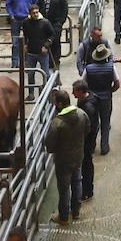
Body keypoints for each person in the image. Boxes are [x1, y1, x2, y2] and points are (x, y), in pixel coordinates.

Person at [45, 88, 89, 226]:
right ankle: (76, 212)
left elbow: (50, 145)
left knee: (64, 189)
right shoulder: (82, 114)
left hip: (63, 160)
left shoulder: (57, 123)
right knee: (77, 182)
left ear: (59, 104)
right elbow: (87, 130)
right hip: (78, 155)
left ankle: (63, 217)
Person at [81, 43, 117, 156]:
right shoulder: (111, 67)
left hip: (92, 98)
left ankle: (91, 146)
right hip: (106, 97)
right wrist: (110, 91)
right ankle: (104, 146)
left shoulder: (88, 68)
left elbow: (83, 83)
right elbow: (117, 83)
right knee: (105, 122)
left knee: (93, 122)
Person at [73, 79, 100, 201]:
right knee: (86, 164)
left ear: (81, 92)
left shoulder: (88, 107)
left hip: (87, 141)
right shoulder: (89, 99)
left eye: (74, 91)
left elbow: (89, 127)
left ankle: (87, 191)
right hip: (88, 139)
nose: (73, 94)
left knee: (86, 165)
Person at [6, 0, 38, 68]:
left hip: (27, 19)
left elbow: (35, 3)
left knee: (28, 41)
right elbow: (8, 4)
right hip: (16, 19)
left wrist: (31, 15)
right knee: (15, 42)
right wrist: (11, 15)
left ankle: (26, 62)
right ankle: (15, 62)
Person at [21, 5, 54, 76]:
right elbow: (25, 34)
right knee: (30, 74)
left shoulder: (45, 22)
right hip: (31, 52)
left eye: (37, 12)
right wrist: (25, 44)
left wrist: (46, 45)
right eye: (34, 13)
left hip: (43, 52)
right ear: (30, 13)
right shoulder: (25, 22)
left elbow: (52, 35)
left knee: (46, 73)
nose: (36, 14)